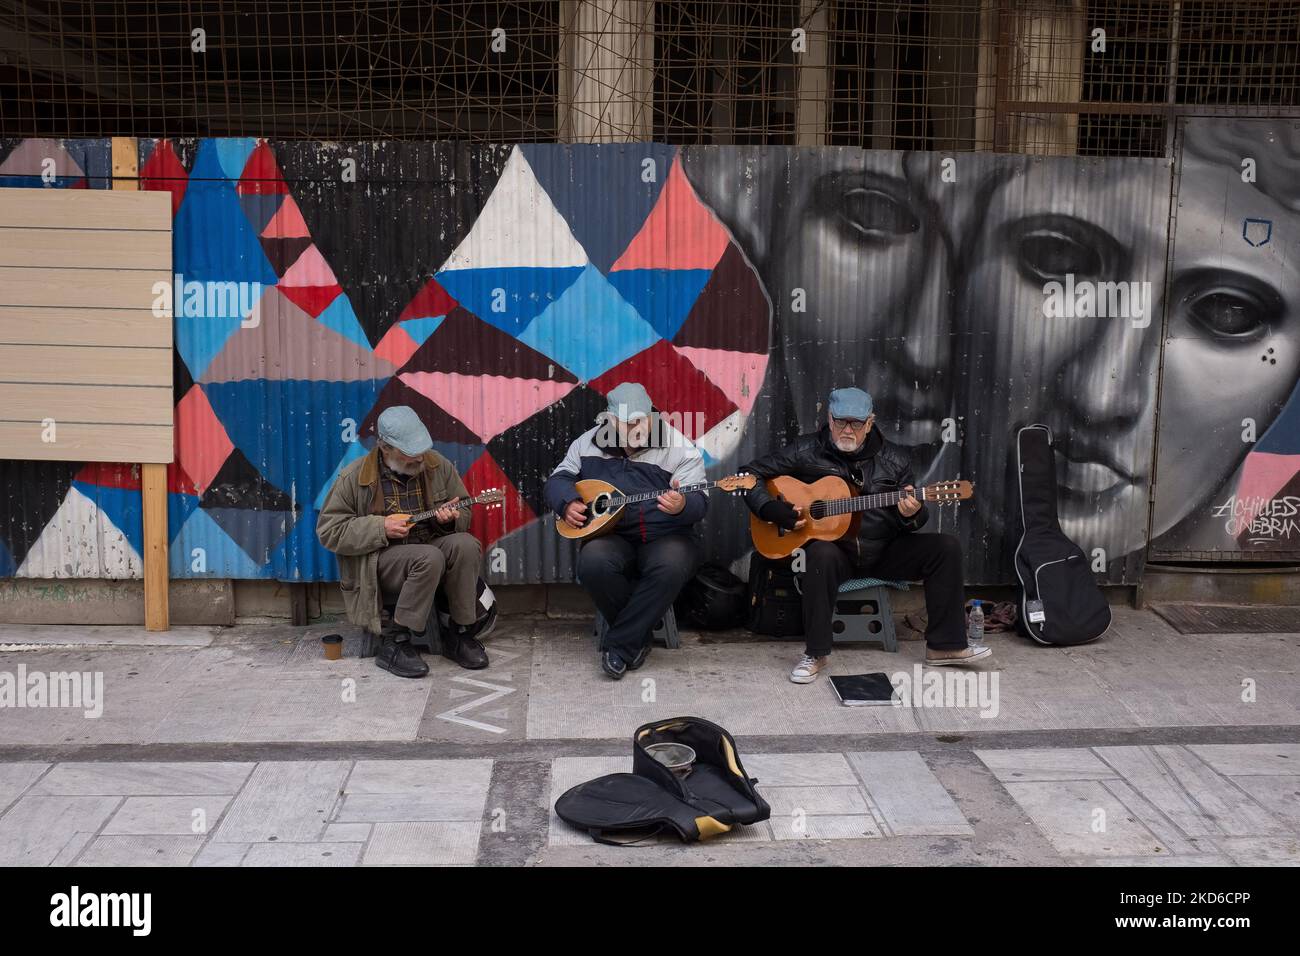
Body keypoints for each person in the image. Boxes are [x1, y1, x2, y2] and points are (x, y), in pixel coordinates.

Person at [743, 386, 991, 684]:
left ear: (870, 423)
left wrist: (911, 514)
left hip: (883, 550)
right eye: (841, 422)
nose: (848, 430)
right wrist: (771, 509)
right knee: (819, 553)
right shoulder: (804, 451)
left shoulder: (895, 461)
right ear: (829, 418)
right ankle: (816, 653)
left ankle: (945, 647)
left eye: (857, 423)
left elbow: (911, 522)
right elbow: (748, 476)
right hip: (837, 553)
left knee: (945, 547)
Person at [544, 383, 708, 680]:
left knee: (671, 564)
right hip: (613, 534)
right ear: (609, 420)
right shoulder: (588, 444)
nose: (635, 428)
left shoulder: (679, 446)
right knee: (593, 562)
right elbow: (558, 478)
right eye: (626, 423)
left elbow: (700, 502)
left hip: (666, 534)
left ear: (651, 415)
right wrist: (566, 502)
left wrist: (682, 505)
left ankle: (620, 645)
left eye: (640, 421)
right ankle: (637, 637)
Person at [317, 405, 489, 678]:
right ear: (385, 448)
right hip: (380, 561)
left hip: (428, 551)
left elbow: (464, 507)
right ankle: (395, 641)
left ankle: (459, 633)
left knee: (465, 545)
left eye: (421, 449)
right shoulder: (354, 477)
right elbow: (329, 530)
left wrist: (448, 519)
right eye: (410, 453)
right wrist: (380, 527)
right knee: (428, 557)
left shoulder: (436, 465)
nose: (419, 457)